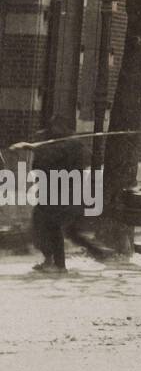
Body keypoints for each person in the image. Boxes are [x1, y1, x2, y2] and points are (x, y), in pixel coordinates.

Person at [12, 117, 83, 274]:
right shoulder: (62, 145)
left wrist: (34, 148)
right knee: (42, 225)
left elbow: (48, 160)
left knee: (51, 226)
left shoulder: (69, 146)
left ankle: (59, 265)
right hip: (51, 192)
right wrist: (32, 147)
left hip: (61, 193)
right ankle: (50, 260)